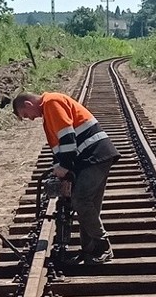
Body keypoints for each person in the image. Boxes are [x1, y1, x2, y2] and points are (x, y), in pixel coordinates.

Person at [12, 90, 119, 266]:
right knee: (89, 204)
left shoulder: (51, 103)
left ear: (28, 104)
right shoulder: (49, 109)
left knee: (81, 200)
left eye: (26, 115)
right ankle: (89, 250)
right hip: (94, 156)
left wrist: (66, 166)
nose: (30, 118)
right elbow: (61, 146)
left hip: (93, 156)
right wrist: (59, 166)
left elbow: (68, 138)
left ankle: (103, 245)